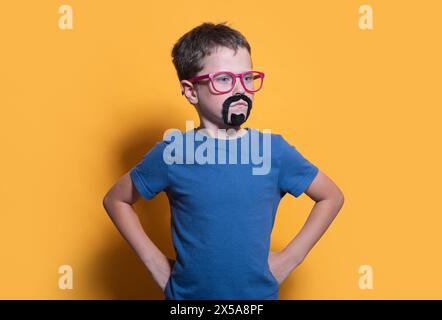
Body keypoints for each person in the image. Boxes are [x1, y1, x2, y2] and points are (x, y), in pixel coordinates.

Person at [103, 22, 344, 300]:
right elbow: (116, 200)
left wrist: (291, 258)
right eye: (224, 80)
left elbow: (331, 197)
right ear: (192, 91)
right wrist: (155, 264)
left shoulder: (273, 151)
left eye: (247, 78)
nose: (240, 89)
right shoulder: (172, 153)